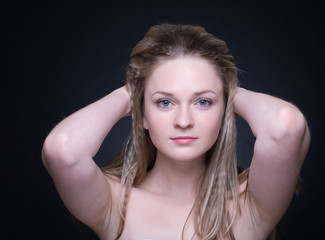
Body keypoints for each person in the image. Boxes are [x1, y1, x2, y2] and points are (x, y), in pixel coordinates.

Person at [42, 24, 310, 240]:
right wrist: (130, 95)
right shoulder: (115, 204)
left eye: (203, 102)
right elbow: (63, 150)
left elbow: (285, 126)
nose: (184, 121)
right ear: (143, 114)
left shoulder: (248, 204)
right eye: (164, 102)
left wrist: (230, 92)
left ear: (224, 110)